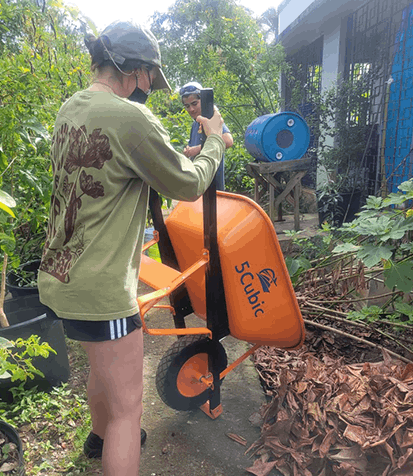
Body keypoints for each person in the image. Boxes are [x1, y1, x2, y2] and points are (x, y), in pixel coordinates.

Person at [37, 21, 225, 476]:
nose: (149, 89)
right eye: (149, 79)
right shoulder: (130, 116)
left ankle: (98, 441)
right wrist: (216, 140)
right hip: (102, 288)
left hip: (60, 276)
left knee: (101, 369)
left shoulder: (71, 107)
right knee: (129, 409)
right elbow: (188, 182)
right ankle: (113, 438)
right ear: (136, 71)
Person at [179, 81, 234, 191]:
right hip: (199, 185)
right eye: (187, 106)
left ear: (203, 101)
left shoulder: (211, 120)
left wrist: (197, 149)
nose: (191, 109)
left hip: (214, 187)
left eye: (194, 104)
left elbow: (228, 140)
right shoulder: (195, 125)